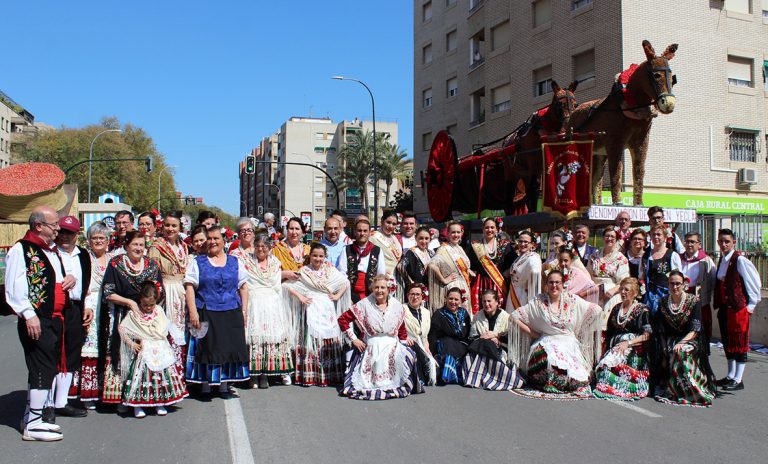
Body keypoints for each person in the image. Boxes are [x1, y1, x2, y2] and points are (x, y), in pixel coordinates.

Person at [5, 206, 76, 441]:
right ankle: (34, 424)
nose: (58, 228)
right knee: (41, 367)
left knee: (47, 368)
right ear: (38, 226)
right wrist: (28, 313)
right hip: (38, 318)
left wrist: (69, 279)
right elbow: (14, 286)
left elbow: (52, 279)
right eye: (53, 224)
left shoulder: (51, 250)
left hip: (54, 318)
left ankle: (32, 417)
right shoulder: (21, 249)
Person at [508, 271, 602, 399]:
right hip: (546, 341)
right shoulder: (539, 301)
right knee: (546, 359)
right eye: (551, 282)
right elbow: (515, 317)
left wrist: (580, 332)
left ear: (563, 284)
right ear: (546, 284)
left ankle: (561, 382)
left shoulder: (572, 299)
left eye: (557, 282)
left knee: (574, 374)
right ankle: (551, 381)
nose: (554, 286)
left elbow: (595, 311)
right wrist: (534, 334)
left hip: (568, 343)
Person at [99, 230, 164, 407]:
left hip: (145, 317)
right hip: (123, 315)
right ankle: (122, 396)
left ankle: (144, 395)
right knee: (123, 353)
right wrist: (129, 302)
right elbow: (108, 292)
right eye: (134, 244)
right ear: (126, 246)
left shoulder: (151, 265)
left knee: (145, 354)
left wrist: (149, 308)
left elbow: (160, 292)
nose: (138, 248)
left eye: (141, 245)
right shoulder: (116, 263)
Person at [184, 226, 250, 396]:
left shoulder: (235, 261)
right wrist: (193, 311)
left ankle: (224, 384)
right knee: (207, 347)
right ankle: (206, 384)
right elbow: (190, 287)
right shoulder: (198, 262)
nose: (213, 242)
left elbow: (243, 287)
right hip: (207, 310)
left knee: (228, 347)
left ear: (223, 241)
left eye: (216, 238)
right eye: (210, 238)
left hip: (230, 310)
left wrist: (244, 310)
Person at [338, 275, 420, 400]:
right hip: (372, 345)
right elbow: (343, 319)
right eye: (376, 287)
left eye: (382, 287)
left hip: (392, 345)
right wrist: (354, 339)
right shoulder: (364, 304)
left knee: (409, 354)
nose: (379, 290)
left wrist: (403, 342)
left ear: (388, 289)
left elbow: (401, 328)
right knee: (365, 382)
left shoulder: (397, 306)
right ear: (372, 289)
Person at [229, 233, 293, 388]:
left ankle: (265, 374)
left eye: (264, 246)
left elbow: (277, 284)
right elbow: (243, 283)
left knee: (270, 338)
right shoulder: (246, 262)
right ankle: (253, 375)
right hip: (255, 302)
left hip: (272, 304)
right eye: (257, 246)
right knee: (255, 338)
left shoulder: (275, 263)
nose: (260, 249)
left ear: (270, 248)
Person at [283, 243, 350, 386]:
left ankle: (329, 375)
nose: (318, 259)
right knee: (311, 340)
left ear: (325, 257)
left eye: (321, 256)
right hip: (311, 307)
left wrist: (338, 295)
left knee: (329, 338)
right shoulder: (304, 271)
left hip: (327, 306)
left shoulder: (330, 269)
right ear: (310, 256)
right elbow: (287, 286)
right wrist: (300, 297)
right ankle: (310, 375)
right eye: (315, 256)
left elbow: (345, 282)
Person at [118, 281, 187, 418]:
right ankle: (138, 405)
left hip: (159, 347)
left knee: (161, 376)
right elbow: (123, 328)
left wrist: (178, 338)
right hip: (144, 349)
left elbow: (166, 325)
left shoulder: (159, 311)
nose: (148, 308)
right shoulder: (135, 314)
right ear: (140, 301)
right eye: (145, 305)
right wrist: (131, 344)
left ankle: (159, 402)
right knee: (142, 376)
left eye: (151, 305)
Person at [654, 271, 715, 406]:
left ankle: (691, 390)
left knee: (682, 352)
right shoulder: (663, 302)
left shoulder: (693, 301)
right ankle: (673, 389)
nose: (675, 287)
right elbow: (661, 330)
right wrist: (664, 349)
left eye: (678, 284)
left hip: (689, 339)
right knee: (668, 353)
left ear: (684, 285)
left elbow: (695, 329)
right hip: (671, 339)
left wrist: (682, 342)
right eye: (672, 284)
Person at [713, 229, 761, 391]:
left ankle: (738, 378)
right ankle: (731, 375)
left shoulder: (740, 260)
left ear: (734, 242)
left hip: (738, 309)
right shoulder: (723, 260)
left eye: (727, 241)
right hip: (725, 309)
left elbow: (754, 283)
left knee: (739, 342)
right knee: (728, 342)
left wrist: (750, 306)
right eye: (721, 241)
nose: (724, 244)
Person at [53, 216, 91, 417]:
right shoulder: (51, 253)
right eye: (61, 232)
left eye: (69, 232)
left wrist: (87, 305)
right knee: (53, 354)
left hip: (75, 309)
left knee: (72, 354)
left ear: (77, 235)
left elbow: (88, 283)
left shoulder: (83, 255)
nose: (64, 236)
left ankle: (63, 400)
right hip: (56, 310)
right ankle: (48, 401)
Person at [75, 221, 114, 409]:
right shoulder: (84, 258)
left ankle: (103, 390)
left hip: (109, 305)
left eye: (102, 238)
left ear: (108, 240)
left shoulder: (113, 258)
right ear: (88, 240)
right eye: (94, 238)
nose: (98, 241)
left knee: (106, 345)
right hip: (90, 302)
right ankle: (88, 393)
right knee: (89, 346)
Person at [593, 278, 652, 401]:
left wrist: (628, 343)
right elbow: (609, 332)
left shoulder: (643, 310)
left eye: (627, 290)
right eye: (621, 289)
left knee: (619, 371)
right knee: (605, 369)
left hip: (633, 348)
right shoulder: (616, 308)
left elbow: (647, 335)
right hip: (616, 347)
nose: (623, 292)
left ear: (635, 293)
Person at [147, 211, 190, 379]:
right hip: (166, 291)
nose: (170, 229)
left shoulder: (183, 246)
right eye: (167, 225)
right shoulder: (156, 247)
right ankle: (169, 374)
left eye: (174, 226)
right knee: (168, 330)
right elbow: (153, 275)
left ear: (180, 228)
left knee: (183, 329)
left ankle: (182, 372)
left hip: (182, 290)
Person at [463, 290, 525, 391]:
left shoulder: (506, 317)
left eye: (489, 301)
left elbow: (512, 340)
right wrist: (483, 337)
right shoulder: (477, 316)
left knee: (489, 346)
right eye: (484, 301)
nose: (486, 304)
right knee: (479, 349)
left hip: (500, 349)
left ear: (497, 302)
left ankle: (484, 378)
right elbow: (472, 337)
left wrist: (498, 341)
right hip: (481, 347)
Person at [467, 218, 515, 313]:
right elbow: (467, 264)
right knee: (482, 310)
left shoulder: (505, 245)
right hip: (481, 284)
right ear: (483, 229)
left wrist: (508, 271)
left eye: (492, 227)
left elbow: (515, 262)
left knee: (500, 311)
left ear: (497, 229)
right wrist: (471, 272)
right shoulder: (475, 246)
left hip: (500, 284)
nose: (490, 230)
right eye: (487, 227)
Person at [429, 287, 472, 385]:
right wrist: (433, 353)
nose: (453, 302)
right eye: (451, 298)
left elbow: (467, 332)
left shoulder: (464, 313)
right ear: (446, 299)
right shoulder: (439, 314)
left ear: (461, 300)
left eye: (456, 299)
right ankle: (447, 375)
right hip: (445, 344)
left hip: (461, 344)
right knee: (448, 344)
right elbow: (433, 336)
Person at [428, 221, 474, 312]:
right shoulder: (443, 248)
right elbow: (432, 265)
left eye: (458, 232)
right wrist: (443, 279)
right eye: (453, 232)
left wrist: (469, 270)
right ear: (448, 234)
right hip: (453, 288)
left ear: (461, 233)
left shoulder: (459, 248)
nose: (456, 235)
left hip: (464, 286)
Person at [339, 218, 386, 302]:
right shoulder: (346, 249)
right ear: (355, 232)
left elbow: (380, 274)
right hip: (350, 293)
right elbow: (342, 272)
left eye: (365, 231)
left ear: (369, 233)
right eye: (359, 230)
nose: (362, 233)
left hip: (370, 294)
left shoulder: (377, 250)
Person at [679, 232, 716, 339]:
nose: (689, 244)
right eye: (687, 242)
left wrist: (706, 295)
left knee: (702, 327)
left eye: (692, 242)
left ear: (699, 244)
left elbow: (713, 280)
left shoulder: (706, 260)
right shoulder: (679, 258)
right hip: (683, 298)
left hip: (700, 299)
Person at [588, 226, 630, 313]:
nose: (609, 238)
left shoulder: (621, 259)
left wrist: (611, 291)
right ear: (603, 238)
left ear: (616, 240)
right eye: (607, 236)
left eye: (612, 237)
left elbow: (624, 282)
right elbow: (588, 275)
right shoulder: (593, 256)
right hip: (594, 293)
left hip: (611, 295)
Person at [403, 282, 437, 387]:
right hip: (406, 341)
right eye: (412, 294)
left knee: (432, 361)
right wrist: (405, 338)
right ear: (407, 295)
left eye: (418, 294)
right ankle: (418, 379)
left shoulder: (426, 312)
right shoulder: (401, 309)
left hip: (421, 343)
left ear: (422, 296)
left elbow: (425, 336)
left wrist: (427, 349)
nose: (415, 297)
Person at [642, 225, 681, 315]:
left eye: (659, 234)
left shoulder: (672, 255)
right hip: (649, 298)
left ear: (665, 237)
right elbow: (642, 275)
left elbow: (678, 277)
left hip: (666, 296)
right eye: (653, 234)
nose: (656, 237)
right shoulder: (646, 255)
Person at [506, 230, 542, 311]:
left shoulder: (533, 257)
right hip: (513, 293)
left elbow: (535, 273)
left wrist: (532, 299)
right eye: (520, 241)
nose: (522, 244)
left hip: (524, 297)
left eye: (526, 242)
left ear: (532, 244)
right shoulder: (519, 257)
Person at [369, 211, 404, 294]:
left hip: (397, 277)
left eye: (394, 224)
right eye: (388, 222)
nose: (390, 226)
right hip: (382, 277)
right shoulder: (373, 237)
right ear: (382, 221)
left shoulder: (395, 238)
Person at [272, 217, 309, 282]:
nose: (294, 232)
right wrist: (284, 274)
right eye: (291, 228)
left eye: (297, 229)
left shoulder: (308, 249)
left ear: (302, 231)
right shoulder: (277, 249)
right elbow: (270, 274)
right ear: (287, 230)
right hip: (284, 288)